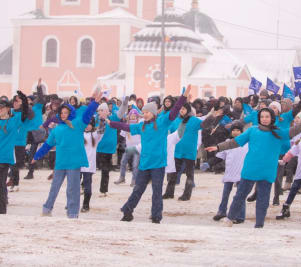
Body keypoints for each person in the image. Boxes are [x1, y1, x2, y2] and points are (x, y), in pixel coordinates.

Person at [206, 107, 301, 228]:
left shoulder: (278, 133)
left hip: (267, 170)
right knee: (240, 195)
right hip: (250, 168)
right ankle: (230, 218)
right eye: (262, 116)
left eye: (267, 116)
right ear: (259, 118)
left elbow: (294, 130)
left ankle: (259, 224)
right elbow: (235, 142)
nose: (264, 119)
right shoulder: (252, 130)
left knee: (263, 199)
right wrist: (218, 147)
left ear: (272, 118)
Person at [107, 85, 191, 224]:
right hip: (144, 164)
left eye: (147, 112)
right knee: (138, 189)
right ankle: (128, 211)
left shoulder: (162, 122)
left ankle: (156, 216)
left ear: (153, 113)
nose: (144, 114)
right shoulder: (142, 126)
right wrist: (113, 124)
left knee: (156, 192)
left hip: (158, 164)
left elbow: (175, 111)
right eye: (143, 112)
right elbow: (127, 127)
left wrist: (183, 98)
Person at [31, 89, 102, 219]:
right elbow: (47, 145)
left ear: (70, 113)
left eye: (66, 112)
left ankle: (73, 213)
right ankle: (47, 209)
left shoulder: (77, 124)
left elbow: (87, 115)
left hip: (74, 163)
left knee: (73, 189)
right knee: (54, 187)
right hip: (61, 163)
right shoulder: (56, 129)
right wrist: (36, 156)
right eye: (61, 113)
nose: (63, 115)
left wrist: (94, 103)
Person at [0, 91, 30, 214]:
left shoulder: (14, 121)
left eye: (2, 107)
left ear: (8, 108)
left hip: (4, 160)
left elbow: (25, 114)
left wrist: (24, 100)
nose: (0, 110)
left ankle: (0, 213)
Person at [213, 123, 248, 222]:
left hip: (242, 172)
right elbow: (220, 157)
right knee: (225, 194)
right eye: (233, 130)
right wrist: (209, 163)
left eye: (238, 130)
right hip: (229, 172)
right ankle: (222, 211)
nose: (235, 132)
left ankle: (240, 215)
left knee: (240, 194)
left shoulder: (246, 143)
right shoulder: (227, 142)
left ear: (242, 132)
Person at [80, 118, 104, 212]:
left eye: (89, 124)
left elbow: (101, 130)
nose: (87, 126)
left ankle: (86, 205)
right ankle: (72, 202)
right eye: (85, 124)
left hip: (89, 165)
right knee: (73, 186)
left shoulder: (95, 136)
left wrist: (102, 119)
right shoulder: (79, 134)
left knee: (87, 188)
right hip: (77, 164)